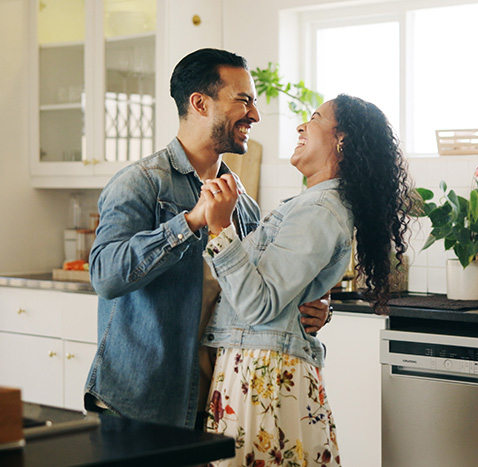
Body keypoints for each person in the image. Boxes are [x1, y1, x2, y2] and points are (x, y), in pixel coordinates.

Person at [83, 48, 331, 429]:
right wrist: (191, 222)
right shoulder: (142, 183)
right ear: (199, 103)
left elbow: (253, 297)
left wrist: (310, 309)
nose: (255, 114)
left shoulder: (242, 204)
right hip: (139, 405)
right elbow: (105, 276)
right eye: (243, 100)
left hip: (216, 403)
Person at [199, 94, 412, 466]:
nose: (301, 125)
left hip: (261, 373)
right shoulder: (315, 205)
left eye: (314, 118)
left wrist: (220, 228)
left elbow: (258, 303)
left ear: (341, 140)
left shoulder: (319, 209)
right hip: (261, 366)